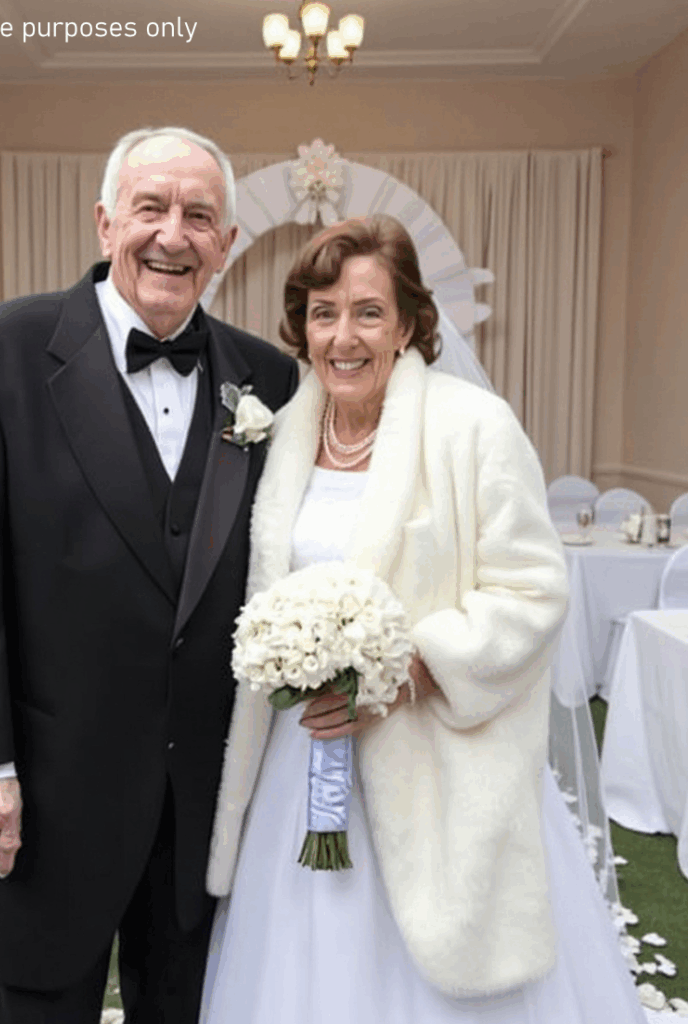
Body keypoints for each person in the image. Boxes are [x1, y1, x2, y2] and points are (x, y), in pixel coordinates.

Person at [201, 215, 646, 1023]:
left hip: (438, 765)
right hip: (299, 766)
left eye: (368, 312)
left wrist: (412, 670)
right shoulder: (282, 433)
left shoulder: (474, 427)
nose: (343, 336)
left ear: (408, 324)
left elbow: (533, 590)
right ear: (302, 325)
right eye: (324, 312)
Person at [0, 126, 298, 1024]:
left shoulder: (269, 378)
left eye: (199, 216)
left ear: (225, 244)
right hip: (52, 790)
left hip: (207, 795)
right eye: (150, 208)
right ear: (105, 223)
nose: (173, 234)